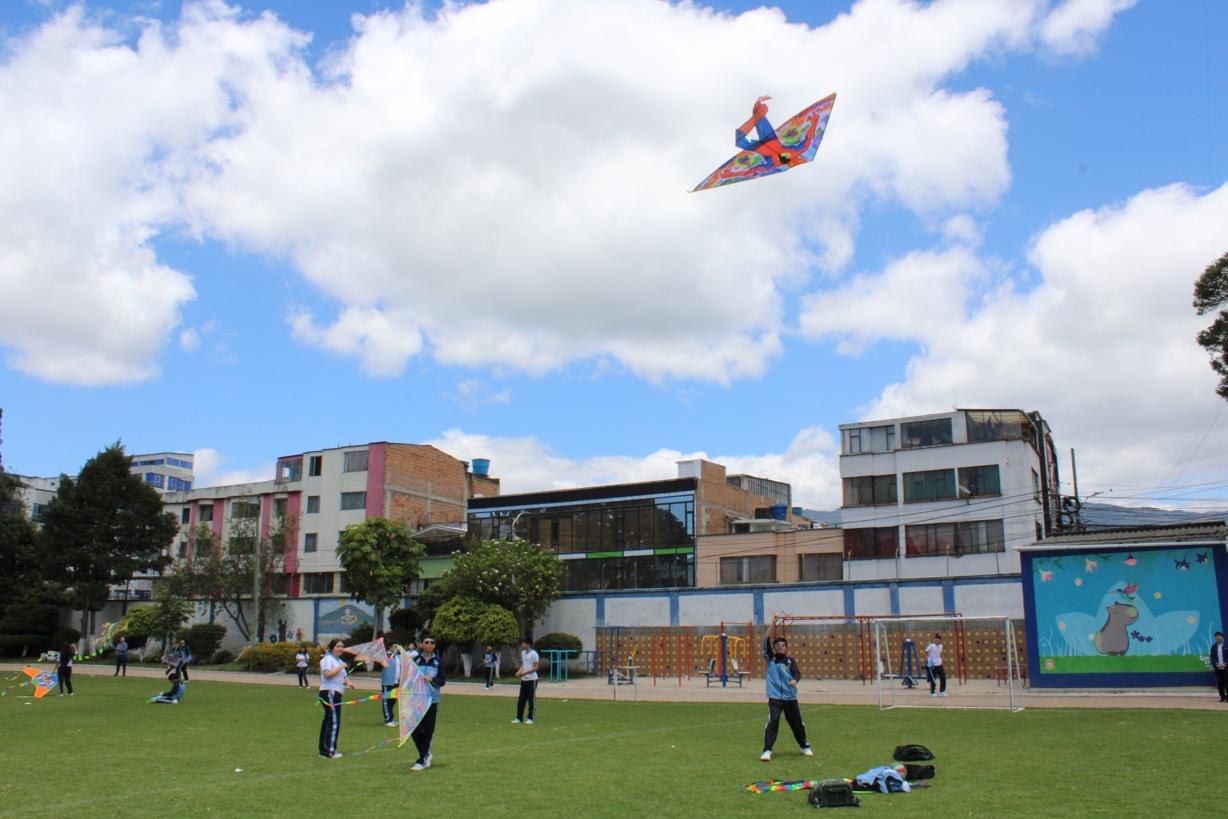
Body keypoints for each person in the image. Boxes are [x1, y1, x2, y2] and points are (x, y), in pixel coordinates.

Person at [760, 635, 813, 761]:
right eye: (778, 645)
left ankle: (804, 746)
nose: (780, 647)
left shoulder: (790, 661)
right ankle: (767, 750)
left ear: (786, 648)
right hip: (775, 698)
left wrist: (795, 680)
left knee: (797, 723)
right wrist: (772, 623)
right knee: (773, 720)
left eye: (783, 645)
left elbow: (797, 673)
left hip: (790, 698)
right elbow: (764, 644)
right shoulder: (771, 659)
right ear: (775, 648)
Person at [409, 635, 446, 771]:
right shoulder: (415, 660)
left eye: (432, 642)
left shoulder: (438, 661)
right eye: (426, 642)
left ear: (434, 646)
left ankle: (421, 760)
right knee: (415, 730)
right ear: (422, 645)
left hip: (432, 700)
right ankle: (426, 754)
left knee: (428, 730)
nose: (429, 644)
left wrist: (431, 680)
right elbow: (407, 678)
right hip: (417, 700)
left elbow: (442, 681)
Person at [318, 639, 356, 759]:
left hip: (336, 693)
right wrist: (340, 667)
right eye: (338, 646)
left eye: (342, 646)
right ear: (332, 647)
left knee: (329, 721)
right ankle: (330, 751)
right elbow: (328, 675)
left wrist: (349, 683)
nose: (341, 648)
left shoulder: (338, 661)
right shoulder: (328, 660)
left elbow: (343, 678)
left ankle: (324, 750)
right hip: (330, 693)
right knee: (334, 722)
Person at [512, 637, 539, 724]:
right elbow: (524, 665)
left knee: (531, 700)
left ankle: (531, 718)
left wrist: (524, 673)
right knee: (521, 700)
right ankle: (519, 718)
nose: (522, 645)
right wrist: (519, 672)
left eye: (523, 643)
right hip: (524, 680)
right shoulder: (523, 653)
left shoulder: (534, 654)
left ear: (528, 644)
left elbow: (536, 667)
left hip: (532, 680)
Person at [380, 639, 401, 727]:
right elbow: (381, 662)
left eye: (397, 646)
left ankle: (391, 718)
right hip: (388, 682)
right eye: (395, 646)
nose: (396, 648)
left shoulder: (399, 656)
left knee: (393, 700)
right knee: (387, 701)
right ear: (390, 647)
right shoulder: (386, 655)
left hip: (397, 682)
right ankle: (387, 720)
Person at [1212, 631, 1227, 702]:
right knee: (1220, 683)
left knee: (1226, 682)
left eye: (1219, 636)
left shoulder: (1226, 646)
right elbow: (1212, 657)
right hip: (1218, 668)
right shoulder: (1214, 647)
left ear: (1222, 637)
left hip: (1226, 667)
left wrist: (1225, 663)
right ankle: (1222, 697)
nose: (1217, 637)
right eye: (1216, 636)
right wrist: (1216, 664)